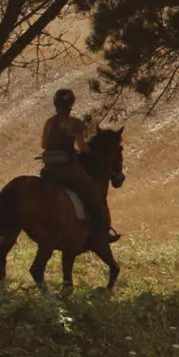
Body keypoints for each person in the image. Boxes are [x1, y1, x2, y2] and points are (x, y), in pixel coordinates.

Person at [40, 88, 119, 243]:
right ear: (71, 104)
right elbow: (82, 147)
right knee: (94, 193)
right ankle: (99, 232)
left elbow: (43, 144)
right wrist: (90, 152)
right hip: (66, 167)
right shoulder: (74, 123)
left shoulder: (49, 122)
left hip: (48, 167)